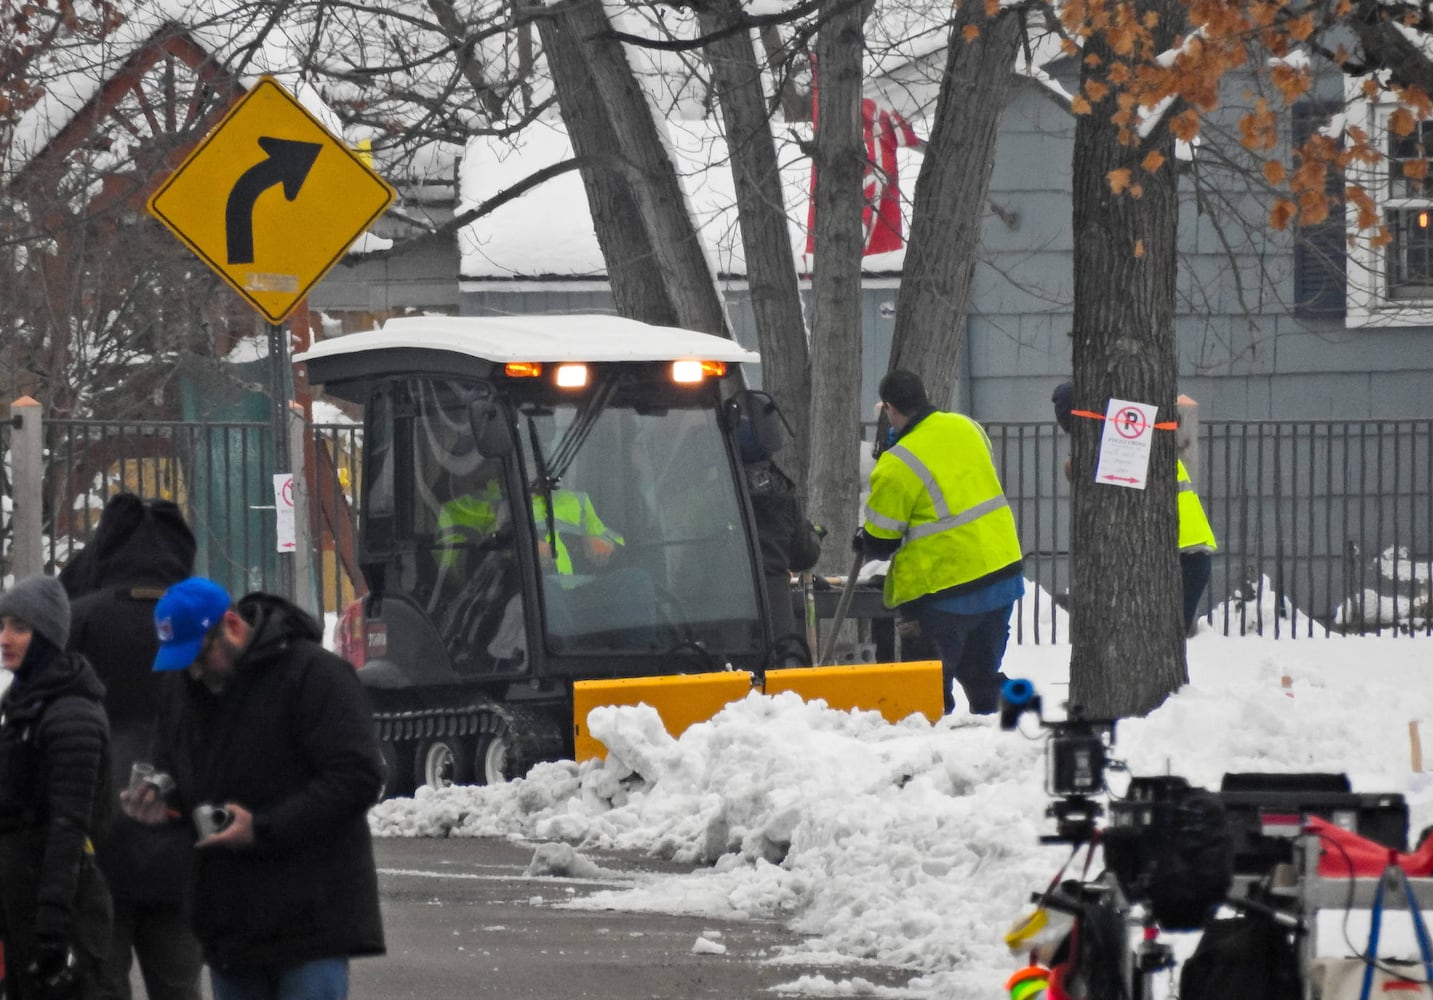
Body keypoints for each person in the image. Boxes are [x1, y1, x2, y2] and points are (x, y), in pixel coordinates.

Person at [122, 577, 385, 1000]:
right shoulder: (187, 687)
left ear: (231, 624)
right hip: (231, 925)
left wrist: (263, 827)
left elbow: (358, 777)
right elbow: (175, 762)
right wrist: (163, 797)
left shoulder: (313, 674)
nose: (194, 670)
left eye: (199, 655)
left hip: (309, 920)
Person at [63, 494, 205, 1000]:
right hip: (184, 849)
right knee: (180, 984)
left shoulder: (79, 620)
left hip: (97, 847)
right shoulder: (204, 625)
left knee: (102, 980)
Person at [854, 371, 1025, 715]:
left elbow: (881, 540)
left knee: (929, 693)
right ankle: (1003, 736)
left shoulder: (898, 462)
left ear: (889, 409)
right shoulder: (968, 427)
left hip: (945, 593)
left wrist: (864, 538)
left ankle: (932, 743)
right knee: (982, 677)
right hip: (1001, 577)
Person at [0, 574, 113, 1000]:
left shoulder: (70, 714)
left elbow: (70, 825)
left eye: (20, 627)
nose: (5, 637)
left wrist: (52, 921)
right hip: (24, 900)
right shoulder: (24, 705)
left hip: (61, 909)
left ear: (47, 636)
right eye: (3, 624)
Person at [1051, 381, 1218, 634]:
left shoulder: (1119, 450)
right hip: (1184, 555)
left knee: (1153, 641)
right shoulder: (1131, 433)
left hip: (1181, 558)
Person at [736, 417, 822, 657]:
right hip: (775, 607)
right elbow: (804, 556)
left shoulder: (723, 488)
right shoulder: (782, 493)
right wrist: (814, 536)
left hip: (729, 610)